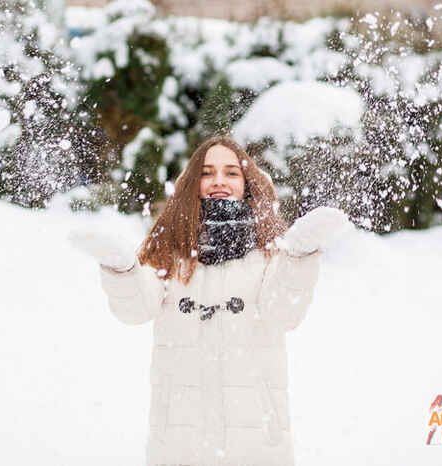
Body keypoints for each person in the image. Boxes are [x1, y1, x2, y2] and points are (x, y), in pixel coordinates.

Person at [70, 135, 350, 466]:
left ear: (247, 183)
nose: (219, 180)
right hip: (181, 441)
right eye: (208, 172)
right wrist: (122, 270)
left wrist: (300, 255)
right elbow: (136, 309)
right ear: (193, 183)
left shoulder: (270, 250)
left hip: (256, 440)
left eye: (231, 172)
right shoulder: (171, 252)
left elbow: (283, 313)